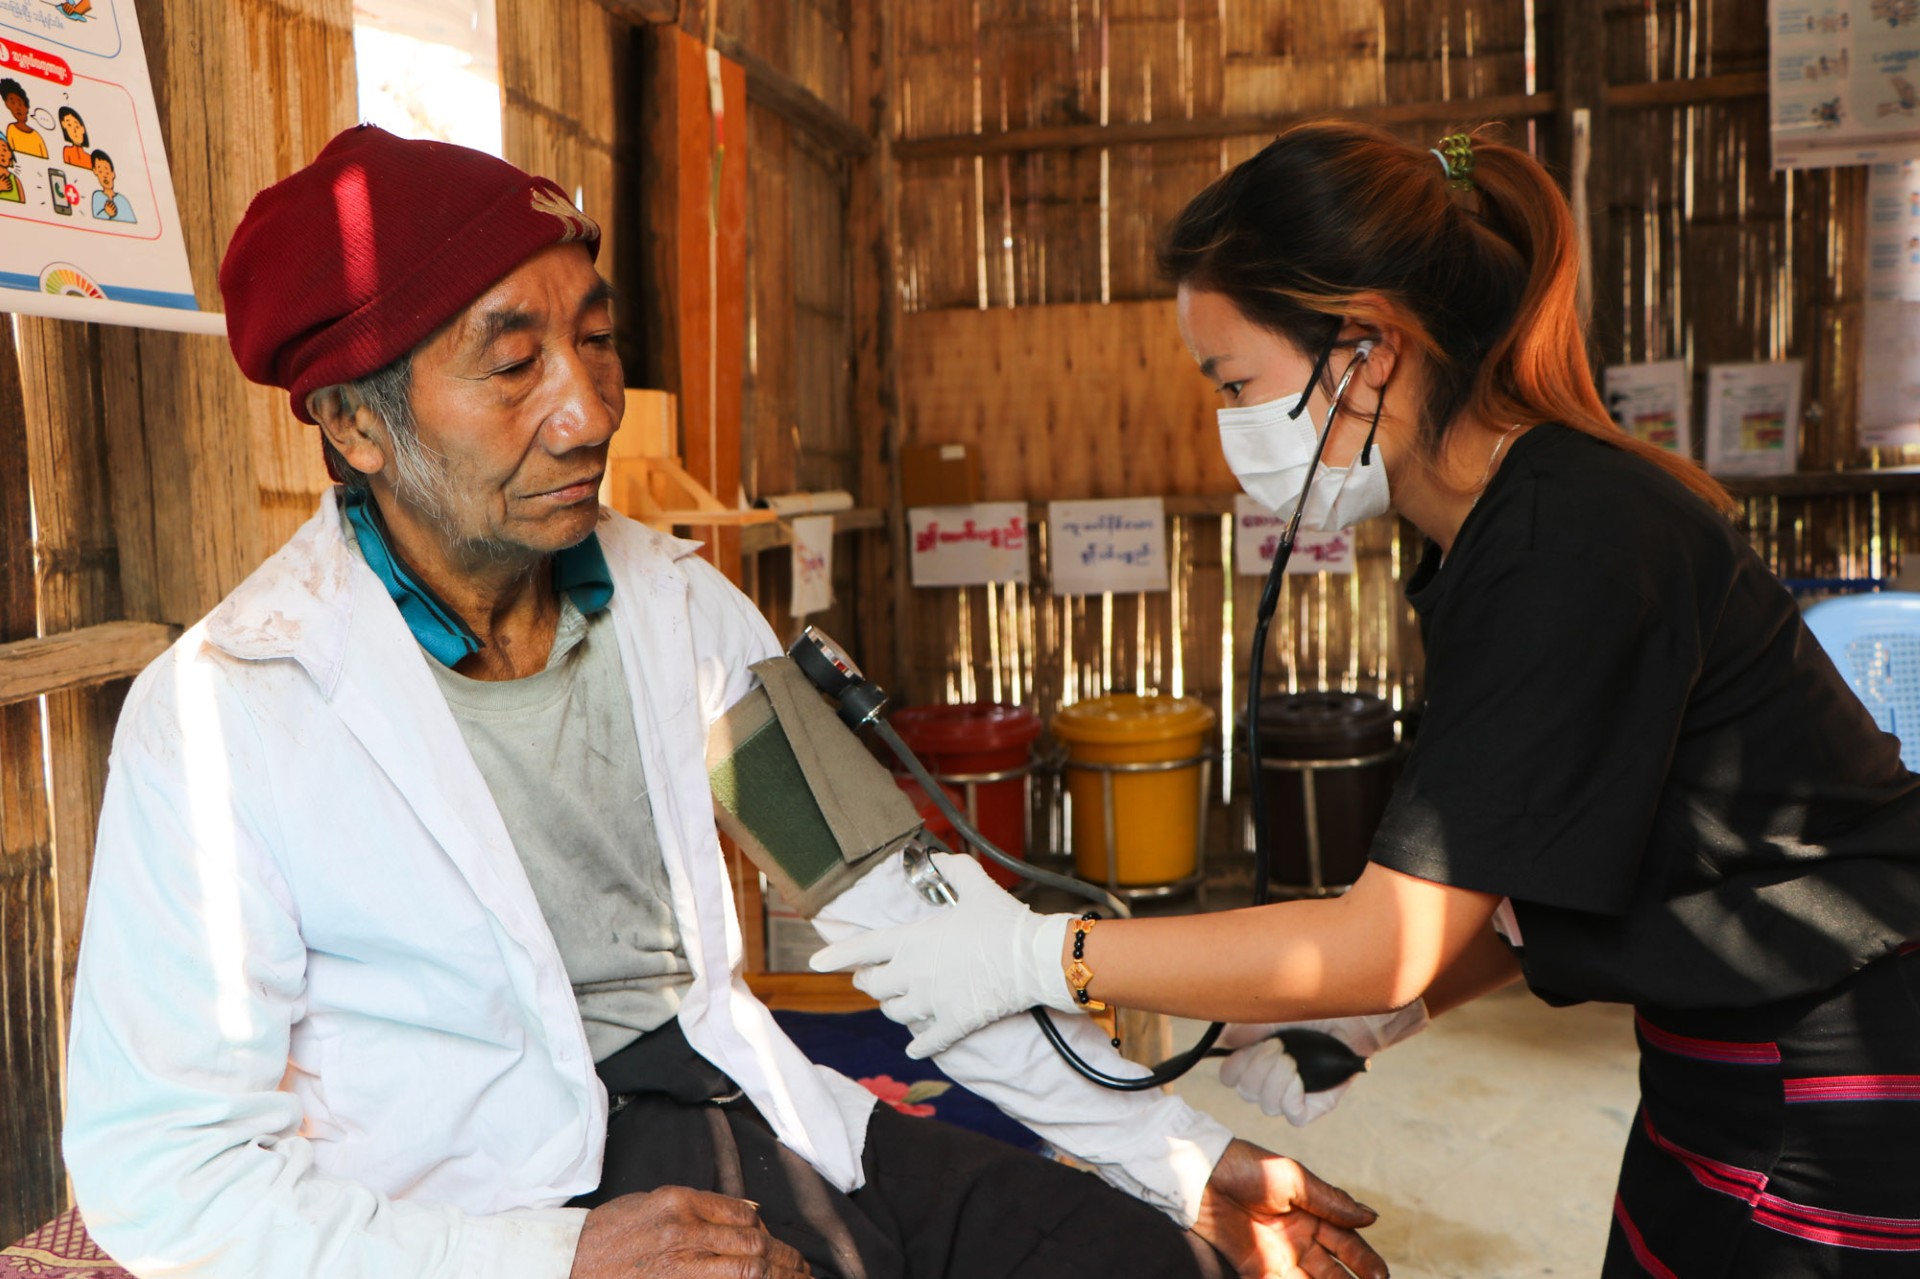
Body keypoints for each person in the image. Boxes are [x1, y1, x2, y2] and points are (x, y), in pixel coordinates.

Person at [62, 125, 1385, 1279]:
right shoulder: (234, 711)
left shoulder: (676, 610)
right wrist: (550, 1254)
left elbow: (904, 921)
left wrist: (1182, 1153)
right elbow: (162, 1170)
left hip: (743, 1103)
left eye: (595, 339)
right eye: (512, 363)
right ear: (354, 426)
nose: (588, 412)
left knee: (1147, 1264)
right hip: (483, 1206)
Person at [815, 122, 1920, 1278]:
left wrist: (1043, 956)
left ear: (1366, 348)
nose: (1227, 425)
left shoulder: (1567, 542)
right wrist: (1386, 1016)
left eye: (1235, 382)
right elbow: (1539, 861)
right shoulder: (1497, 537)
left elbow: (1385, 938)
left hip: (1835, 1063)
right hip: (1724, 1048)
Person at [2, 77, 48, 159]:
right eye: (12, 103)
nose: (17, 108)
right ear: (8, 106)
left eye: (20, 103)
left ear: (26, 107)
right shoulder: (11, 129)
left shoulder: (36, 136)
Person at [90, 149, 134, 222]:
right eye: (100, 172)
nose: (105, 176)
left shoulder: (122, 200)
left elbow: (131, 221)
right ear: (95, 171)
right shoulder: (97, 196)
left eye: (107, 172)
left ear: (113, 174)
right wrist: (106, 213)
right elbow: (95, 220)